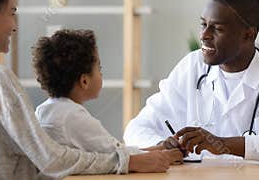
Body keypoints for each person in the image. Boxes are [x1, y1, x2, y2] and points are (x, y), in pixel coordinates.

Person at [0, 0, 172, 180]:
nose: (14, 26)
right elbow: (50, 159)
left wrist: (134, 155)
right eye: (12, 13)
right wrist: (127, 162)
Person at [123, 0, 259, 165]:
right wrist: (161, 145)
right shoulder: (192, 67)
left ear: (249, 34)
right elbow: (135, 129)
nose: (204, 36)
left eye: (217, 29)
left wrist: (224, 144)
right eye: (203, 25)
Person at [32, 29, 183, 165]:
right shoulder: (73, 116)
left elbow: (115, 154)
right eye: (99, 68)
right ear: (84, 81)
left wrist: (158, 148)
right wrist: (165, 155)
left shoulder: (44, 110)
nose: (101, 73)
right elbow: (117, 154)